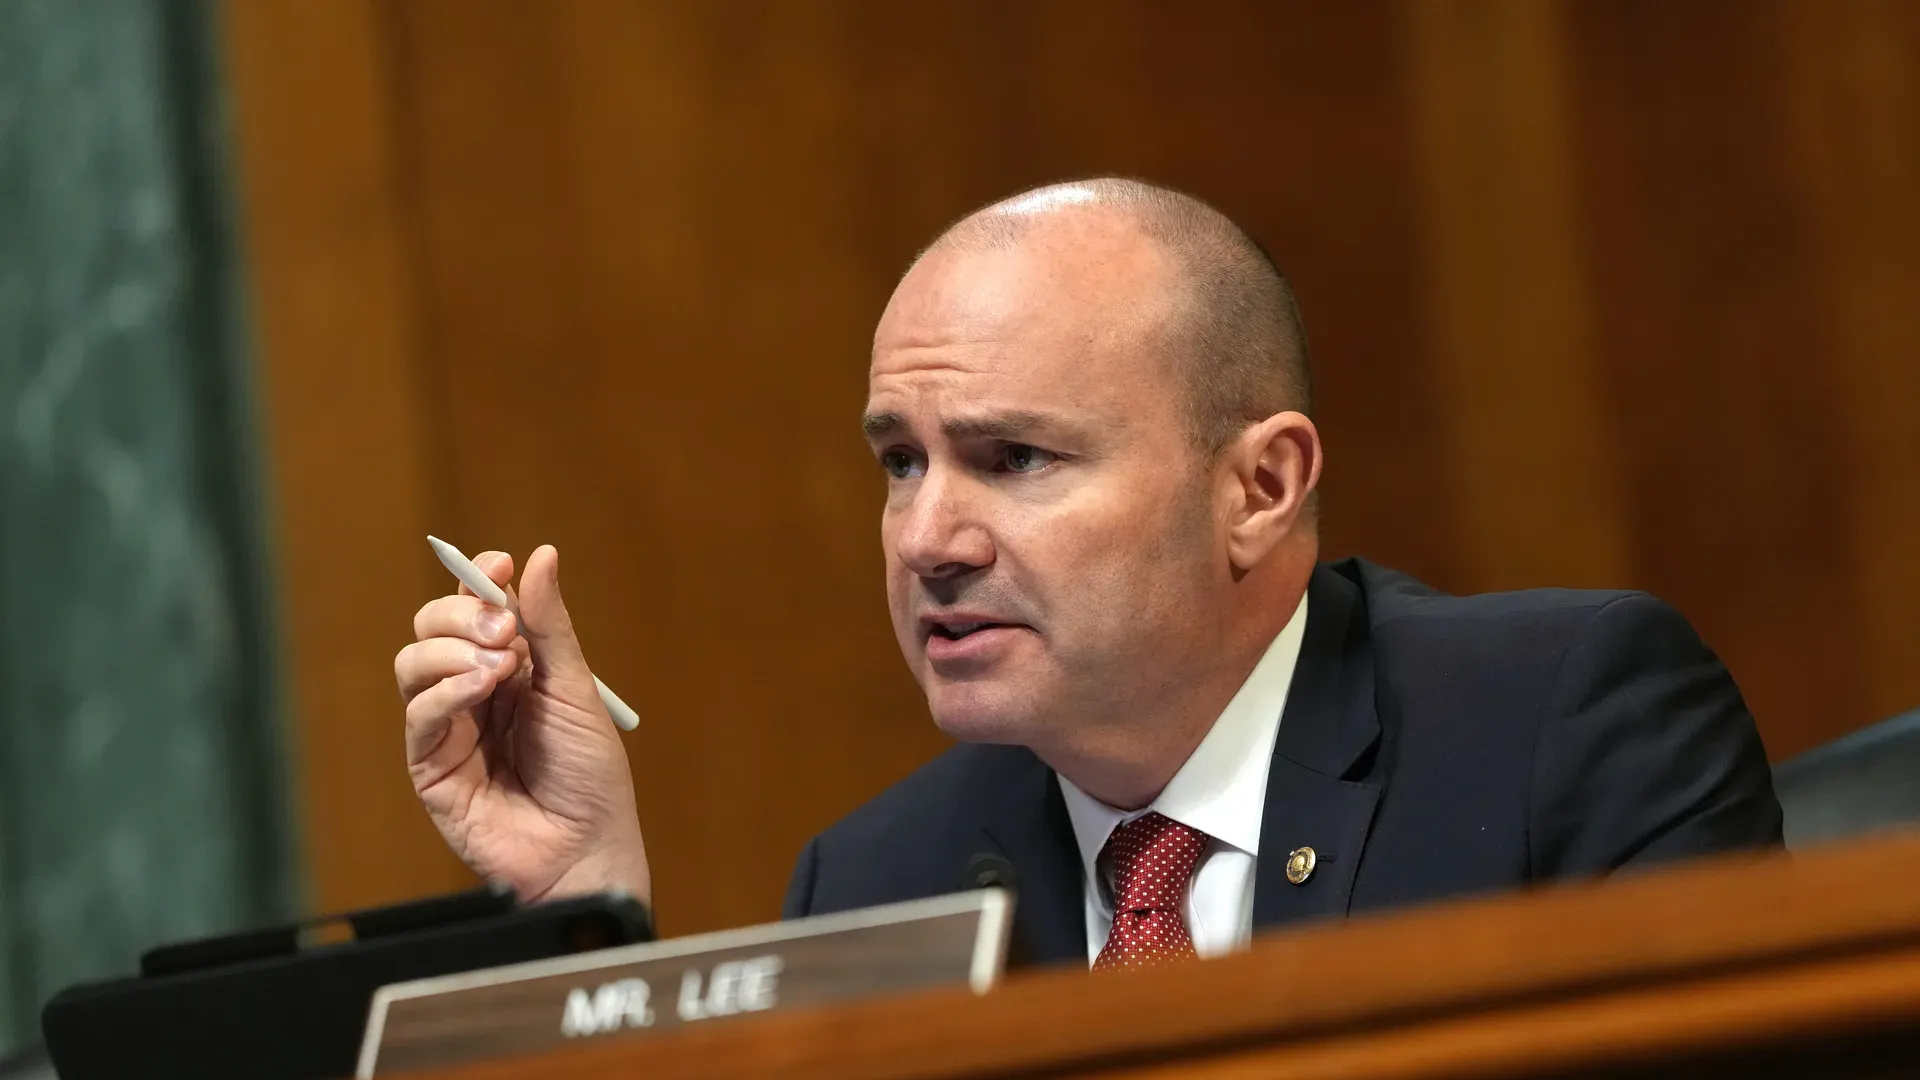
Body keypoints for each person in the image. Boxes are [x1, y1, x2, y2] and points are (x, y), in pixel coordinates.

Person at [394, 178, 1781, 971]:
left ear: (1261, 485)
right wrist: (588, 907)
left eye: (1013, 459)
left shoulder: (1554, 724)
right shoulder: (883, 882)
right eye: (900, 461)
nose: (930, 536)